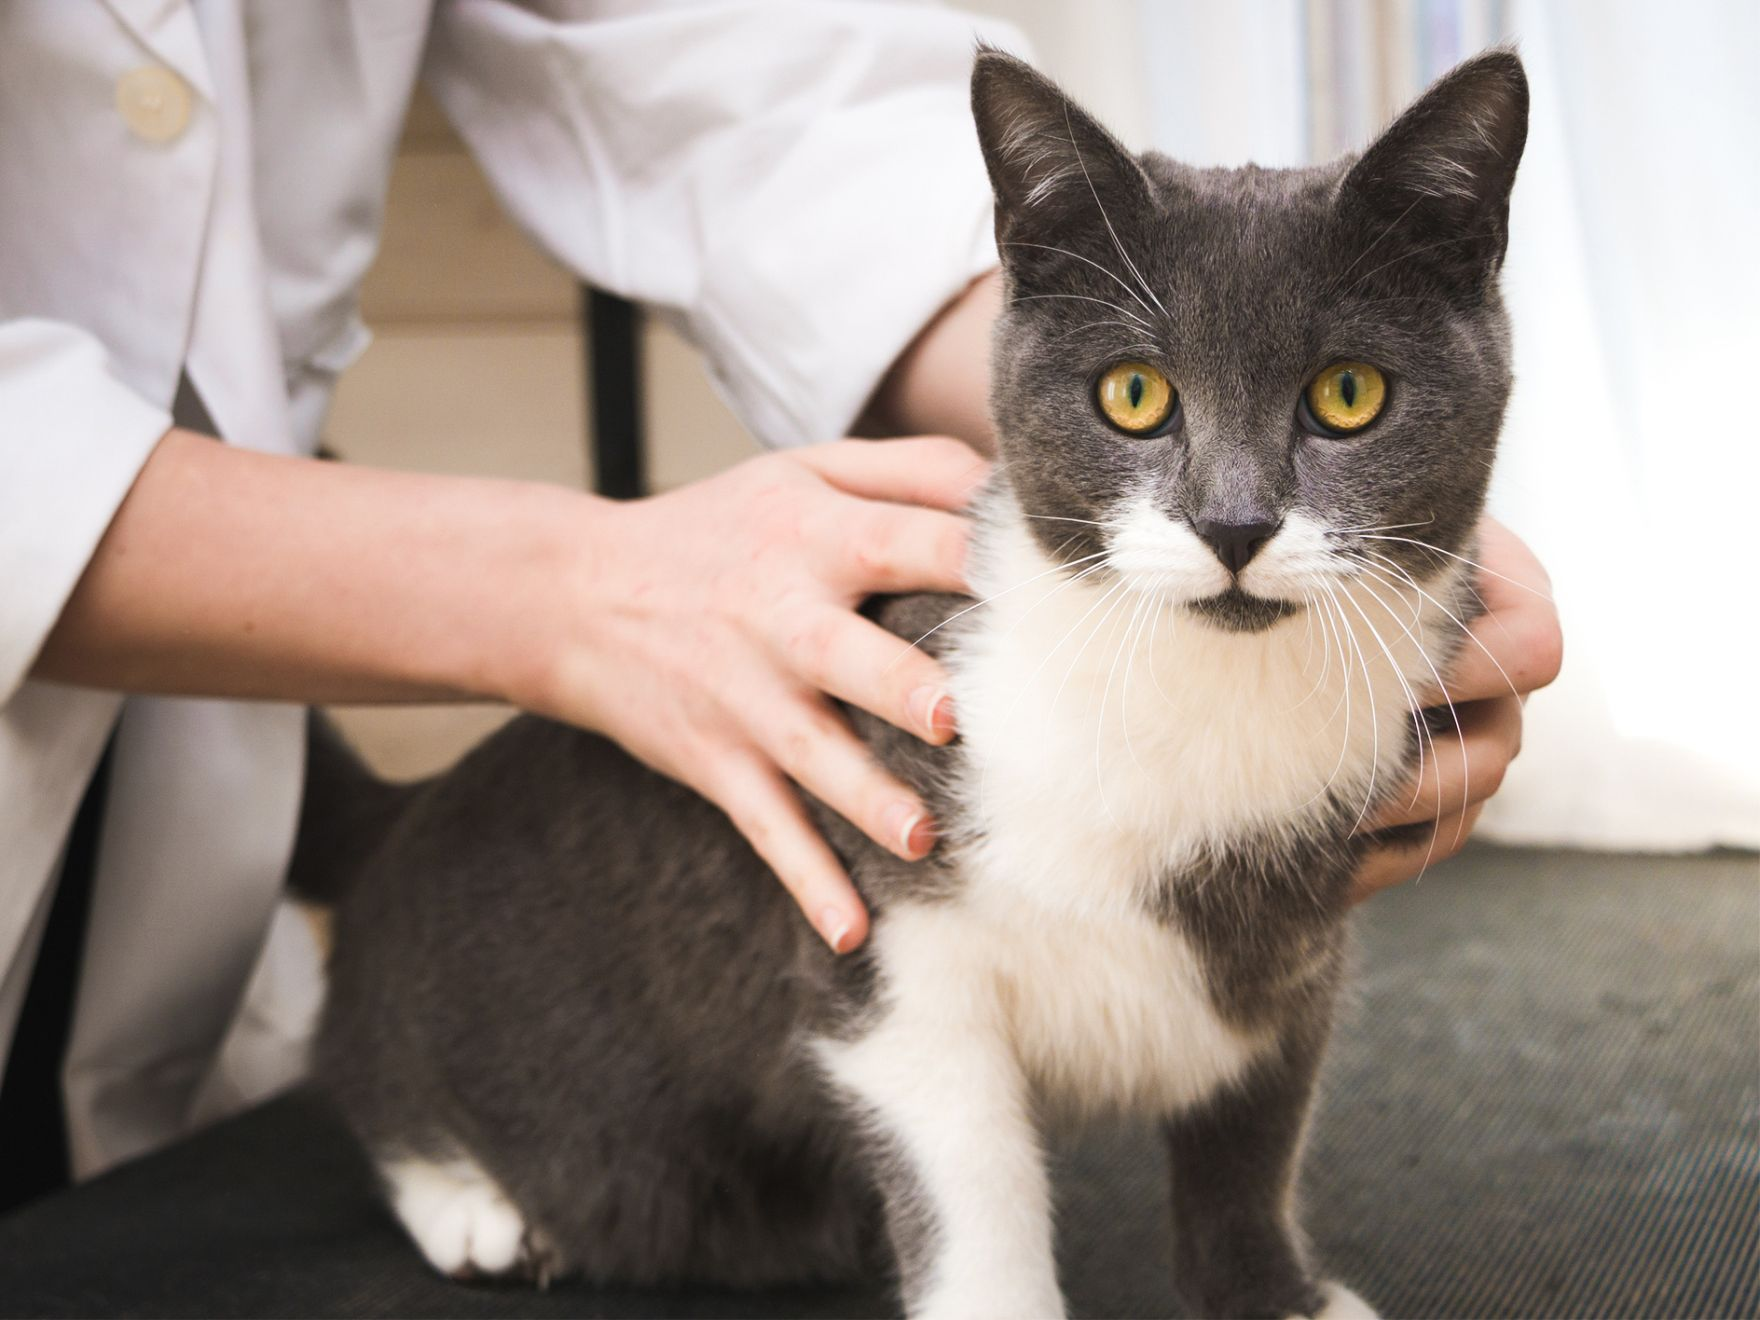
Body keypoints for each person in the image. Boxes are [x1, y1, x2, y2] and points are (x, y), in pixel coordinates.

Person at [0, 0, 1561, 1201]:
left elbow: (742, 71)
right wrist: (568, 585)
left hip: (180, 873)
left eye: (1345, 394)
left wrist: (1120, 337)